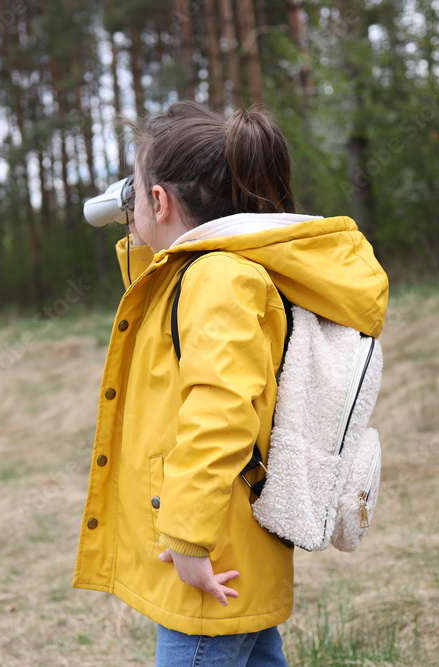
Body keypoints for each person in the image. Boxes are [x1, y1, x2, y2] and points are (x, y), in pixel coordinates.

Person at [72, 101, 389, 666]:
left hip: (210, 550)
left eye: (137, 189)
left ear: (160, 201)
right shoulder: (209, 272)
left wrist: (189, 539)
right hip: (229, 543)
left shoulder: (217, 278)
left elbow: (221, 412)